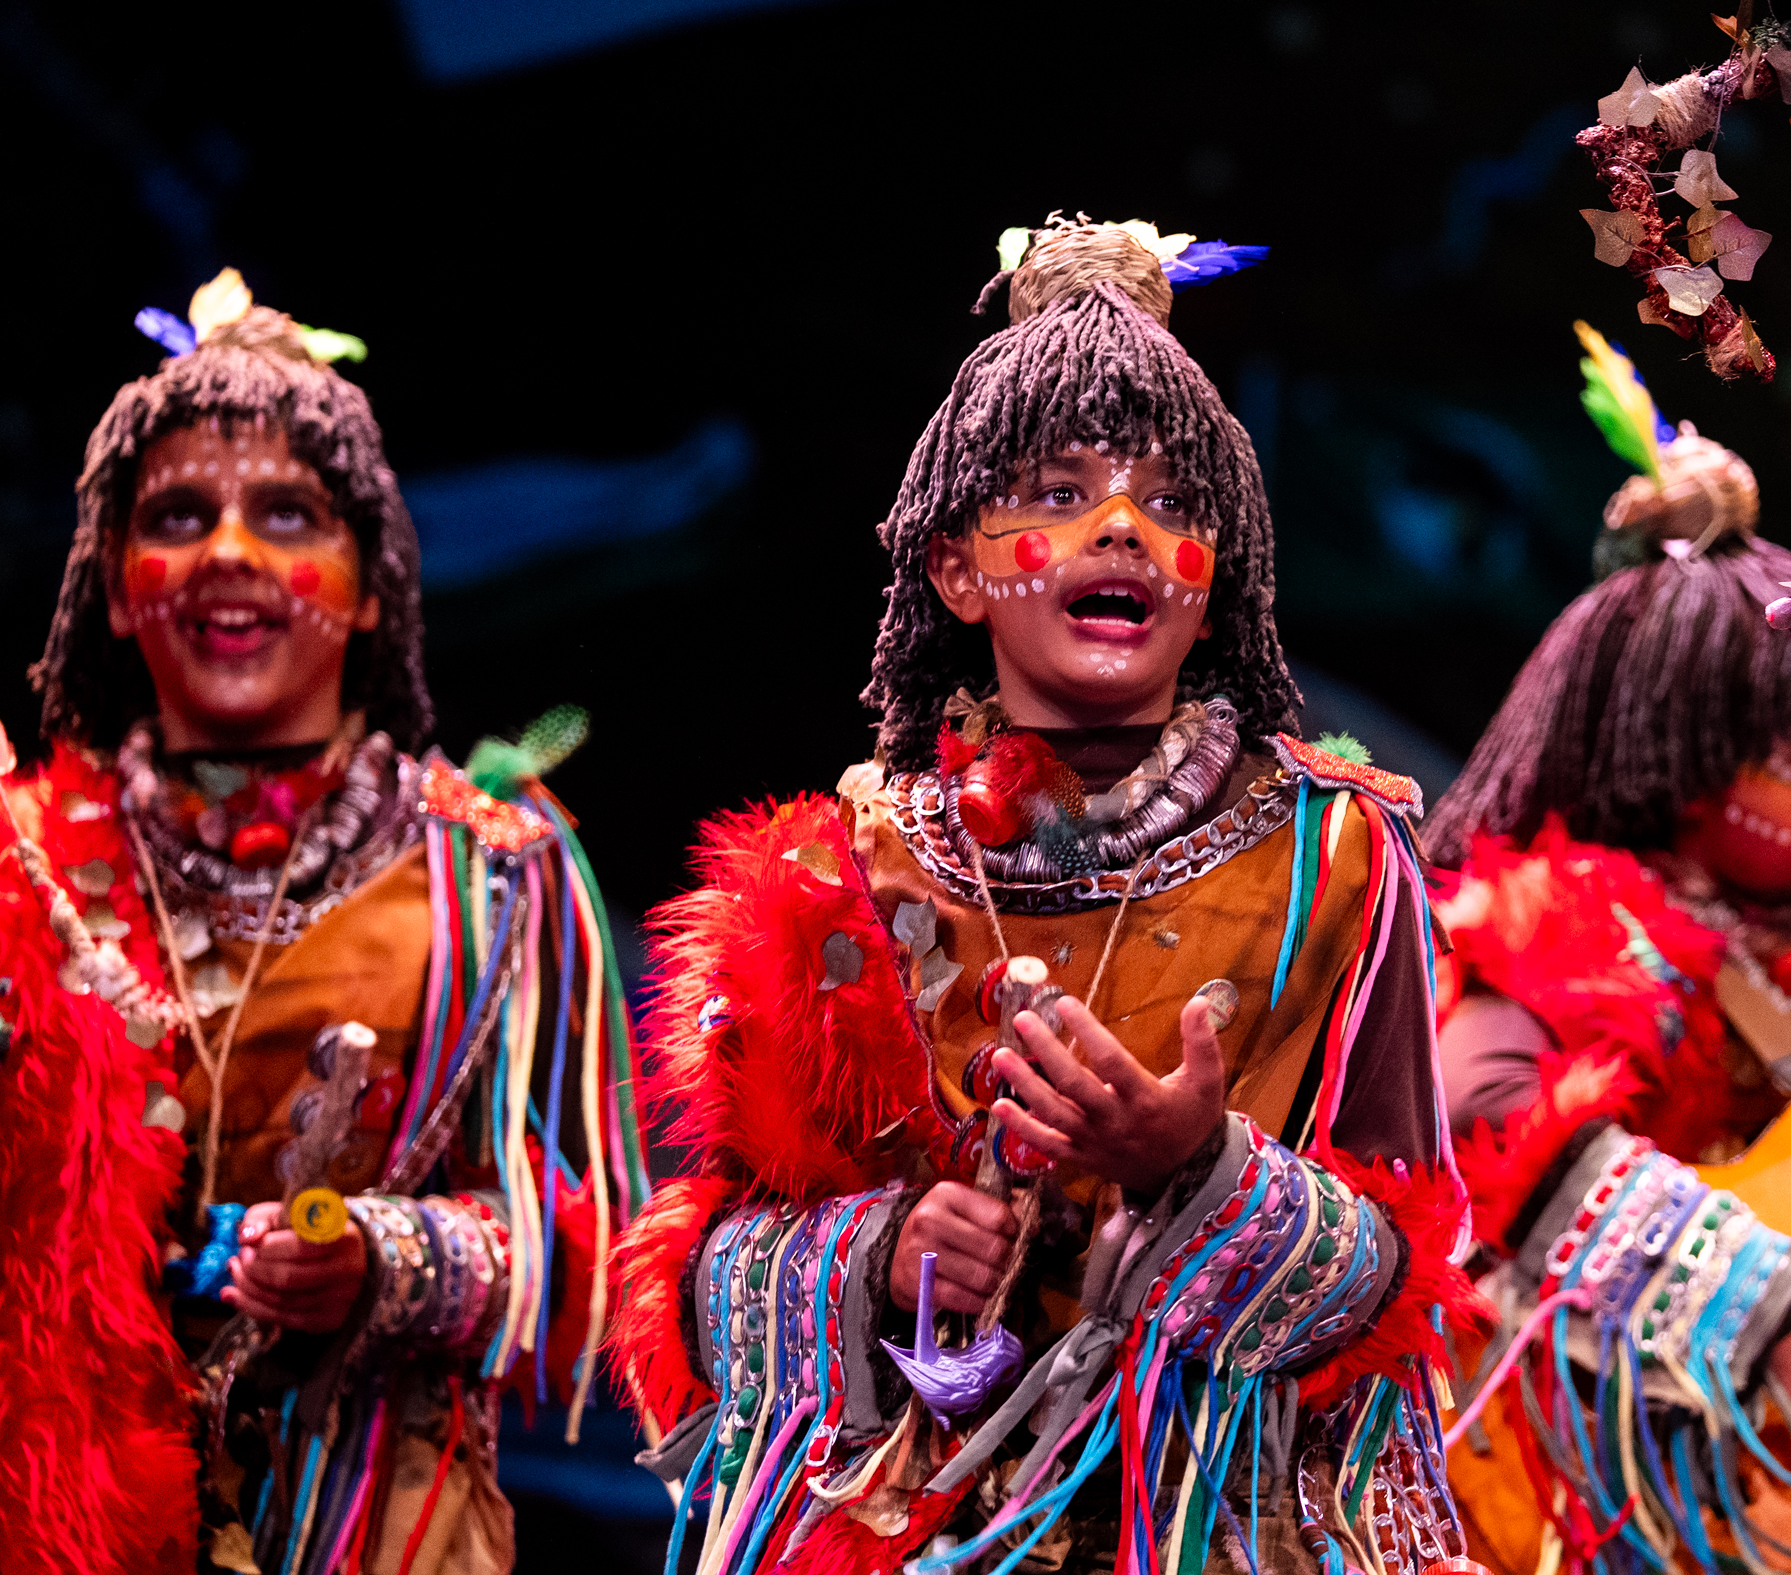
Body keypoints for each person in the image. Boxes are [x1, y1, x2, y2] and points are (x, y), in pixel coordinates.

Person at [609, 216, 1481, 1574]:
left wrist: (1198, 1172)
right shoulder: (833, 868)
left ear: (1218, 578)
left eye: (1172, 500)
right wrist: (883, 1255)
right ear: (956, 567)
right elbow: (700, 1283)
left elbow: (1415, 1270)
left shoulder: (1338, 855)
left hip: (1223, 1530)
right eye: (1062, 489)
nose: (1122, 524)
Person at [0, 274, 648, 1575]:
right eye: (178, 517)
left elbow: (615, 1264)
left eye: (287, 514)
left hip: (386, 1528)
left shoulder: (490, 878)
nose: (229, 552)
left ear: (371, 588)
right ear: (120, 588)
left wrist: (395, 1263)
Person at [1416, 329, 1791, 1572]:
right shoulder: (1538, 939)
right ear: (1677, 750)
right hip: (1557, 1507)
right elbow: (1488, 1128)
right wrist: (1769, 1299)